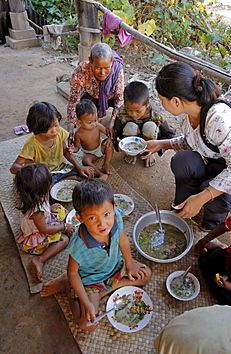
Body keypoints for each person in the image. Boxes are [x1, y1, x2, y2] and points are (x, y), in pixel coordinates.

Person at [142, 62, 231, 230]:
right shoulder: (189, 114)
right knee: (182, 160)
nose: (161, 105)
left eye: (162, 100)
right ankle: (184, 204)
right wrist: (159, 144)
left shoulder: (217, 119)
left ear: (176, 101)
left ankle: (212, 221)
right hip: (216, 162)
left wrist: (203, 197)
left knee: (211, 192)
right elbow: (192, 142)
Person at [40, 179, 151, 331]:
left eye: (106, 214)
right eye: (92, 217)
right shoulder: (78, 243)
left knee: (146, 275)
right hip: (91, 279)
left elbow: (123, 240)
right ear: (80, 218)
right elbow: (73, 273)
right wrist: (86, 303)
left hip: (115, 265)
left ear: (114, 208)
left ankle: (101, 294)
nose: (102, 223)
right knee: (86, 324)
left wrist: (130, 265)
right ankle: (66, 285)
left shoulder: (116, 217)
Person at [15, 163, 75, 282]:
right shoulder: (36, 212)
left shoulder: (33, 196)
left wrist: (49, 209)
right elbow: (44, 229)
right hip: (37, 234)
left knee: (59, 209)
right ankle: (40, 259)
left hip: (42, 221)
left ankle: (56, 219)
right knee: (64, 240)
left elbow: (43, 209)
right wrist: (63, 226)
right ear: (46, 186)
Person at [10, 101, 94, 183]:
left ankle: (64, 179)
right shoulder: (31, 145)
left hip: (61, 169)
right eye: (49, 128)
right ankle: (64, 180)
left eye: (56, 125)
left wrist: (79, 166)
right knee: (41, 190)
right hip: (43, 177)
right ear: (38, 128)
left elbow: (65, 151)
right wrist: (33, 172)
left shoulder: (59, 132)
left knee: (86, 176)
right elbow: (14, 167)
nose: (54, 131)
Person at [67, 42, 124, 141]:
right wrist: (71, 124)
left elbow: (119, 99)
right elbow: (74, 98)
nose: (102, 73)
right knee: (83, 107)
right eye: (98, 68)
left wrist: (112, 121)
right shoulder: (82, 70)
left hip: (111, 97)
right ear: (90, 61)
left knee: (124, 109)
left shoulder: (117, 69)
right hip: (93, 98)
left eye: (106, 68)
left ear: (112, 61)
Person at [195, 201, 231, 305]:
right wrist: (204, 241)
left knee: (227, 300)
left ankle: (220, 248)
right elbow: (223, 227)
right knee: (203, 260)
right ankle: (222, 248)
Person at [114, 81, 175, 167]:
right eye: (129, 110)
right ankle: (132, 152)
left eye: (138, 111)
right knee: (130, 127)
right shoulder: (122, 112)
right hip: (132, 137)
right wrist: (119, 144)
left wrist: (157, 147)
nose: (133, 114)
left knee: (150, 126)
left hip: (149, 138)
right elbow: (117, 130)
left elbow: (169, 134)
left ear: (147, 105)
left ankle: (148, 152)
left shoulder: (156, 114)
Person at [68, 100, 114, 180]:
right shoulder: (78, 134)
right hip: (90, 154)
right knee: (85, 160)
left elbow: (109, 135)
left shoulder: (98, 126)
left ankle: (106, 164)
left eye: (95, 120)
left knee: (109, 145)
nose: (93, 124)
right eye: (89, 122)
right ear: (80, 122)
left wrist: (110, 139)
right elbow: (77, 147)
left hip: (100, 147)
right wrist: (73, 149)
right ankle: (99, 173)